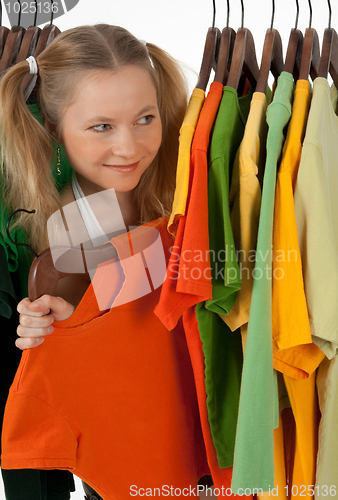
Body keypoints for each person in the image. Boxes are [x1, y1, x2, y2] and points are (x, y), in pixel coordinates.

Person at [0, 24, 210, 499]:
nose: (129, 147)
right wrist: (58, 325)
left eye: (145, 119)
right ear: (53, 127)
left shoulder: (190, 183)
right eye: (102, 127)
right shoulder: (50, 229)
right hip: (131, 448)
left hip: (205, 428)